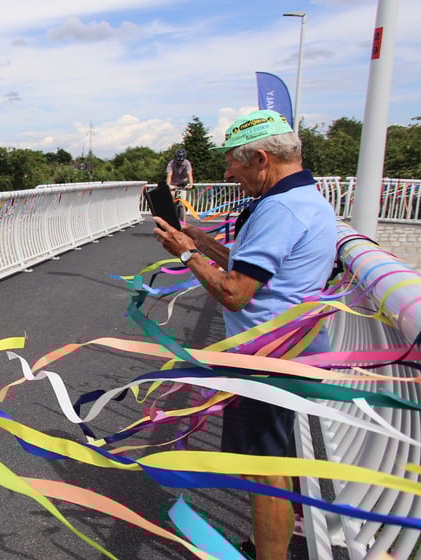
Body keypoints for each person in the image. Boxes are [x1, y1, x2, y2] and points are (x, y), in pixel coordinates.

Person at [152, 110, 336, 560]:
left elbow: (235, 293)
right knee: (273, 460)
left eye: (234, 164)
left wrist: (188, 252)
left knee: (263, 471)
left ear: (260, 157)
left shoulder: (281, 208)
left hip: (267, 358)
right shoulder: (301, 199)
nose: (228, 173)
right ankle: (266, 541)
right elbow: (255, 266)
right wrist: (201, 240)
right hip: (287, 351)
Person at [165, 148, 194, 221]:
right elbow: (169, 175)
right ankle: (170, 216)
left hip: (182, 184)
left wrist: (191, 184)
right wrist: (168, 185)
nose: (180, 162)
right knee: (171, 197)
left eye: (181, 160)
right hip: (173, 184)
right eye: (178, 160)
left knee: (182, 201)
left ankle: (183, 221)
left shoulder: (187, 163)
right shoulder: (171, 164)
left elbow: (189, 174)